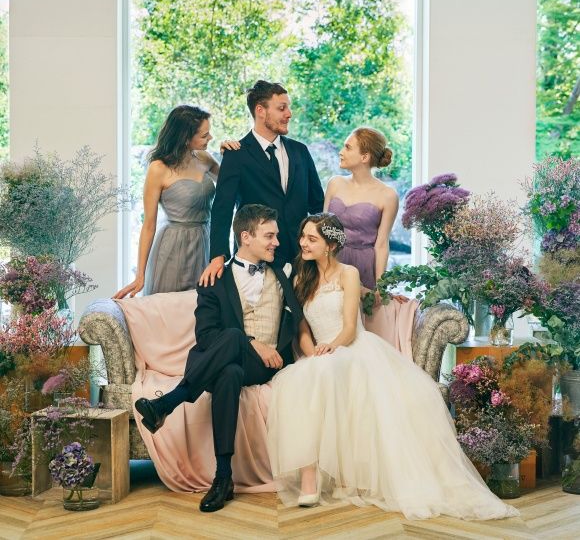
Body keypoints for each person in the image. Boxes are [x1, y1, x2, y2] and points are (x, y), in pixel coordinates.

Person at [266, 213, 519, 520]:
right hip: (319, 354)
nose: (303, 243)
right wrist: (313, 355)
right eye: (303, 237)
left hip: (350, 347)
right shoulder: (300, 279)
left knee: (326, 374)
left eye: (311, 238)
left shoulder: (348, 274)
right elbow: (303, 330)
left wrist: (331, 349)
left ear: (330, 245)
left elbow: (349, 327)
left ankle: (345, 477)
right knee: (302, 381)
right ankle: (310, 478)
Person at [134, 204, 302, 512]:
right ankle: (223, 477)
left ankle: (168, 403)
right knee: (229, 373)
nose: (277, 242)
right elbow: (207, 337)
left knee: (235, 339)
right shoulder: (214, 280)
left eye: (276, 236)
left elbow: (322, 275)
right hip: (227, 364)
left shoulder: (284, 272)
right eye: (269, 236)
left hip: (267, 367)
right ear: (246, 237)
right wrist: (252, 343)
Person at [200, 80, 324, 286]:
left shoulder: (300, 151)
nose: (289, 114)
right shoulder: (235, 155)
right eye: (281, 108)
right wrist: (218, 256)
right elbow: (222, 208)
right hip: (256, 259)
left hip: (302, 259)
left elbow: (318, 205)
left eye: (288, 108)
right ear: (260, 111)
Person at [324, 127, 417, 357]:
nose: (341, 151)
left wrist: (380, 287)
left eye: (348, 147)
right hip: (331, 261)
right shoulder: (335, 183)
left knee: (359, 332)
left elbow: (382, 243)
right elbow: (321, 229)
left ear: (364, 157)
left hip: (363, 265)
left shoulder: (387, 195)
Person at [114, 105, 219, 299]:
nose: (210, 138)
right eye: (204, 135)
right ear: (186, 138)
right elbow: (148, 225)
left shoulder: (205, 159)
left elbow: (231, 183)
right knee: (167, 305)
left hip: (204, 241)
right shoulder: (158, 169)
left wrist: (233, 153)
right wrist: (140, 275)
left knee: (202, 306)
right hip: (173, 246)